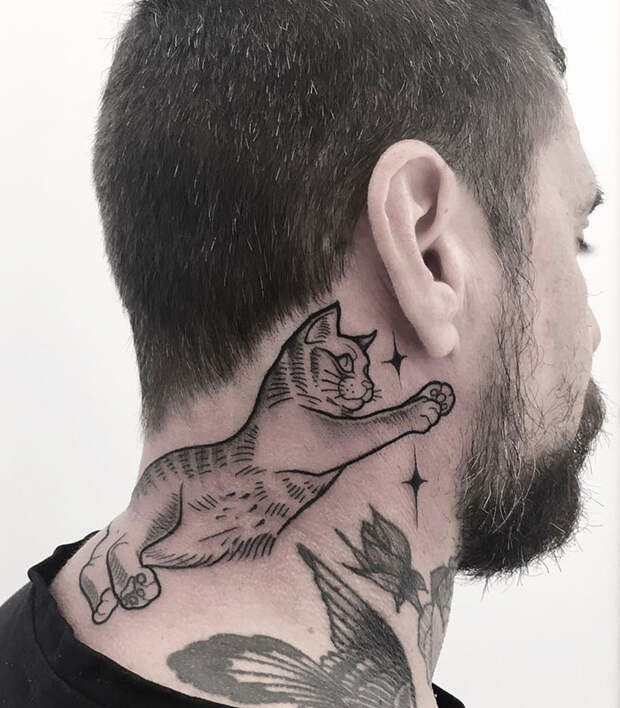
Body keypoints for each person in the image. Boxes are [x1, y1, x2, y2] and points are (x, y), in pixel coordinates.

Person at [0, 1, 607, 706]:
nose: (593, 330)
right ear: (428, 251)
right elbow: (331, 442)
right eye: (575, 238)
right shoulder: (287, 429)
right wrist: (412, 413)